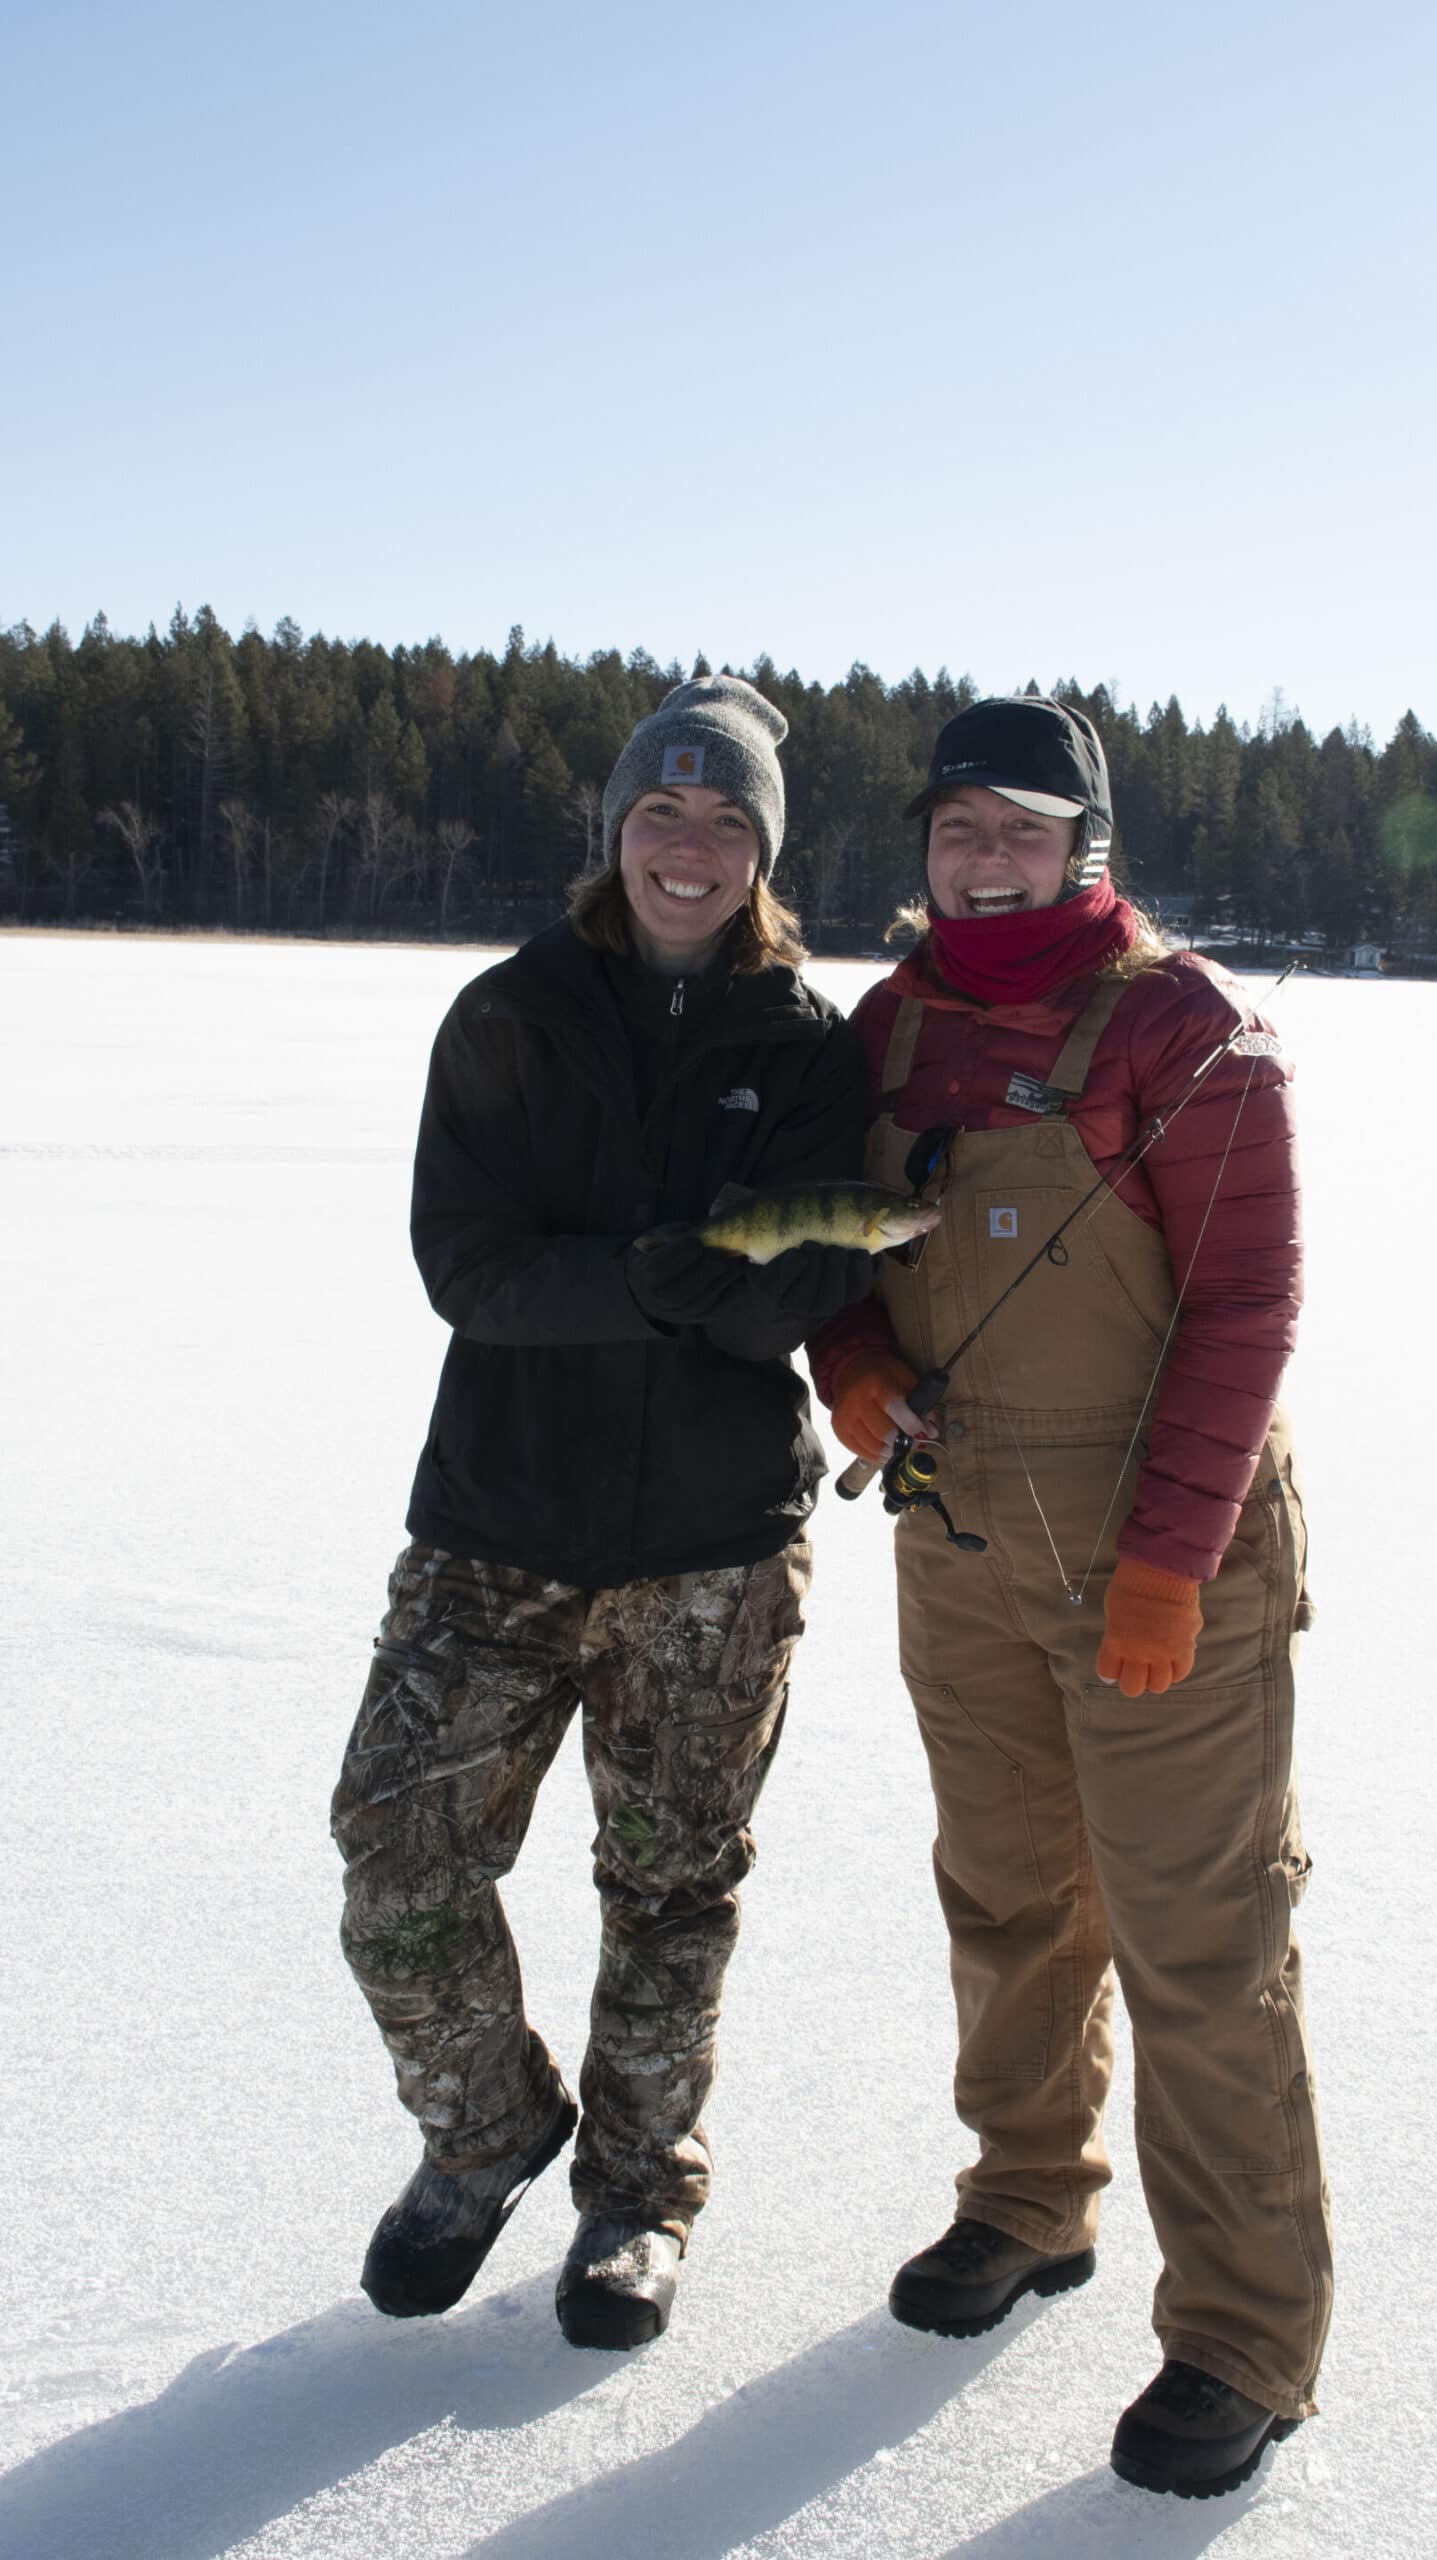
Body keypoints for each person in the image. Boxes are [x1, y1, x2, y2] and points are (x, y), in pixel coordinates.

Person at [808, 696, 1331, 2499]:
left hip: (1157, 1556)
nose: (985, 857)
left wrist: (1174, 1566)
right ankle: (1028, 2203)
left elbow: (1246, 1309)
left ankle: (1245, 2339)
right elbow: (827, 1233)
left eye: (1023, 828)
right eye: (959, 828)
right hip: (958, 1544)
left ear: (1086, 843)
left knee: (1201, 1950)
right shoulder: (888, 1029)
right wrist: (851, 1360)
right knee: (1008, 1900)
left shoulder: (1185, 1027)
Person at [333, 675, 870, 2350]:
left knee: (672, 1886)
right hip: (496, 1523)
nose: (689, 848)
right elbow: (466, 1267)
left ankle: (637, 2198)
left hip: (713, 1547)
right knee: (397, 1857)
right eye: (662, 814)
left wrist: (752, 1277)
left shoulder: (805, 1042)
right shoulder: (508, 1014)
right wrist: (660, 1277)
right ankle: (488, 2130)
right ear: (616, 832)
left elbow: (819, 1272)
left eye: (725, 823)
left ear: (762, 851)